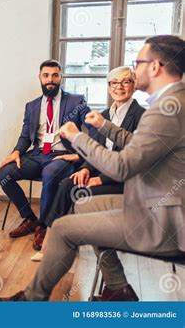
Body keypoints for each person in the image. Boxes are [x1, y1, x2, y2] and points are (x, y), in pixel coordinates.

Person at [0, 35, 185, 302]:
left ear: (155, 67)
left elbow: (123, 166)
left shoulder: (166, 109)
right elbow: (140, 145)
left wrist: (76, 137)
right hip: (150, 202)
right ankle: (117, 288)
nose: (134, 69)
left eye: (138, 62)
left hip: (162, 220)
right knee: (82, 205)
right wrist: (104, 126)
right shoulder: (172, 102)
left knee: (63, 229)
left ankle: (31, 300)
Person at [31, 66, 146, 261]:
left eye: (125, 81)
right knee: (68, 183)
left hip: (127, 182)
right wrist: (85, 169)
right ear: (109, 87)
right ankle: (51, 240)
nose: (119, 87)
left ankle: (63, 244)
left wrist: (100, 179)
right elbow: (95, 150)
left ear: (134, 85)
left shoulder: (142, 116)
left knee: (75, 193)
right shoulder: (104, 115)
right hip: (104, 175)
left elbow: (133, 160)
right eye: (114, 83)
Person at [0, 60, 90, 239]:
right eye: (46, 75)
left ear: (61, 77)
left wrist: (79, 155)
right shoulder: (31, 106)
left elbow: (92, 129)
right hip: (38, 154)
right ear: (40, 78)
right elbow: (25, 136)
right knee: (4, 174)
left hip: (63, 155)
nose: (50, 80)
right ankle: (30, 218)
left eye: (55, 75)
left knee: (50, 173)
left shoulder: (76, 101)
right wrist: (16, 152)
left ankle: (45, 226)